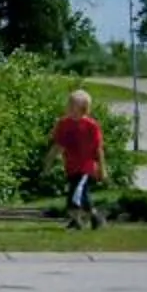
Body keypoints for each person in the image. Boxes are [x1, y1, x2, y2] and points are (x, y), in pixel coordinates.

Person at [52, 88, 106, 232]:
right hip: (70, 165)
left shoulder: (91, 126)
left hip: (85, 167)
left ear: (83, 108)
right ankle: (94, 217)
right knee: (81, 195)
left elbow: (98, 148)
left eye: (72, 105)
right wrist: (50, 160)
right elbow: (59, 144)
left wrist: (102, 168)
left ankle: (77, 222)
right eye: (68, 104)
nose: (68, 107)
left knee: (75, 195)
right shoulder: (64, 124)